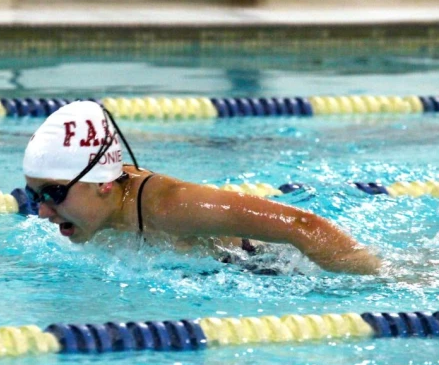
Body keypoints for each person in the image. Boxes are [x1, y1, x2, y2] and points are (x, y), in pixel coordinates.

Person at [22, 101, 381, 275]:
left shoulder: (169, 208)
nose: (41, 211)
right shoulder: (93, 210)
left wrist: (372, 280)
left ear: (102, 183)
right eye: (35, 196)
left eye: (52, 194)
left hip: (266, 269)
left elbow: (304, 226)